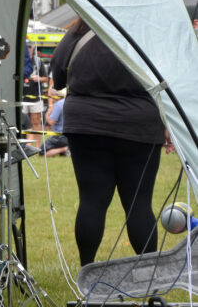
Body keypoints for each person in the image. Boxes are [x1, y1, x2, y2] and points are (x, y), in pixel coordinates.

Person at [52, 18, 172, 266]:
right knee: (139, 203)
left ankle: (87, 273)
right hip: (139, 122)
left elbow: (58, 76)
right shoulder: (148, 29)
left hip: (87, 123)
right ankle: (148, 281)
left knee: (91, 201)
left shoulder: (81, 27)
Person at [21, 43, 47, 146]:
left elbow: (46, 78)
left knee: (35, 122)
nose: (28, 49)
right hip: (22, 98)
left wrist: (39, 79)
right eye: (26, 47)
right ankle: (24, 146)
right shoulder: (19, 59)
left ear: (33, 49)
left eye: (30, 47)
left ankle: (37, 147)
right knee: (22, 122)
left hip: (35, 96)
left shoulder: (38, 62)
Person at [41, 92, 69, 157]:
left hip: (60, 136)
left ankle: (66, 148)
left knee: (42, 152)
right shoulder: (73, 103)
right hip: (71, 136)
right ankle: (65, 150)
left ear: (57, 95)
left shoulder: (59, 104)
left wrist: (47, 114)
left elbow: (51, 122)